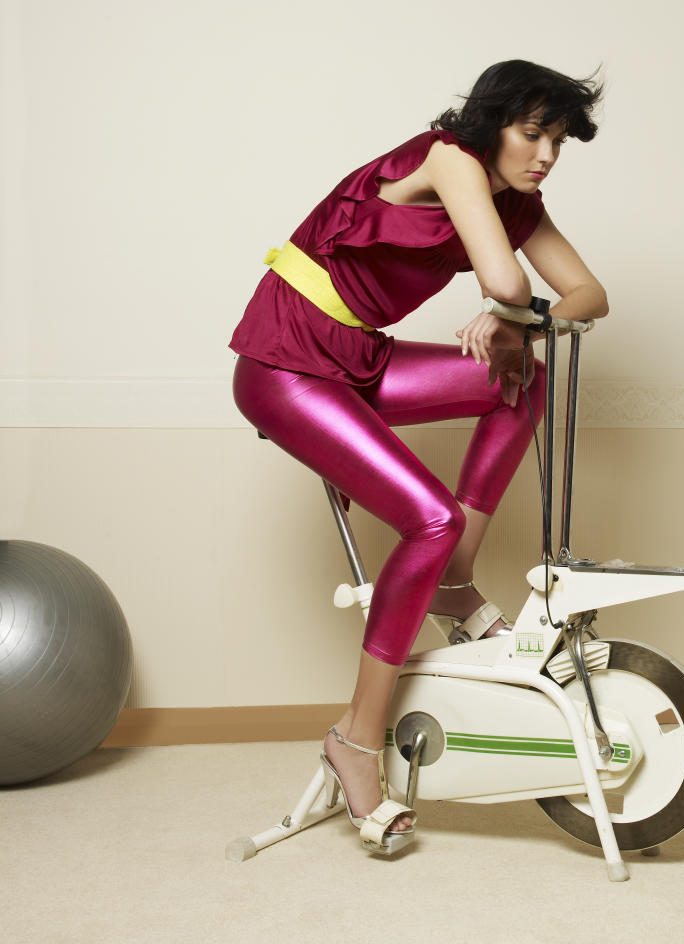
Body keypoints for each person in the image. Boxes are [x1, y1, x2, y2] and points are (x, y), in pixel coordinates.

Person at [229, 60, 607, 853]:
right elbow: (505, 278)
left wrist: (514, 327)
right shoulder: (448, 158)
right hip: (285, 363)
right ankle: (356, 743)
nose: (545, 153)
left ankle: (455, 581)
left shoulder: (518, 202)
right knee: (427, 518)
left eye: (559, 140)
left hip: (357, 360)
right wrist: (508, 306)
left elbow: (588, 295)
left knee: (518, 379)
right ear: (492, 122)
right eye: (531, 132)